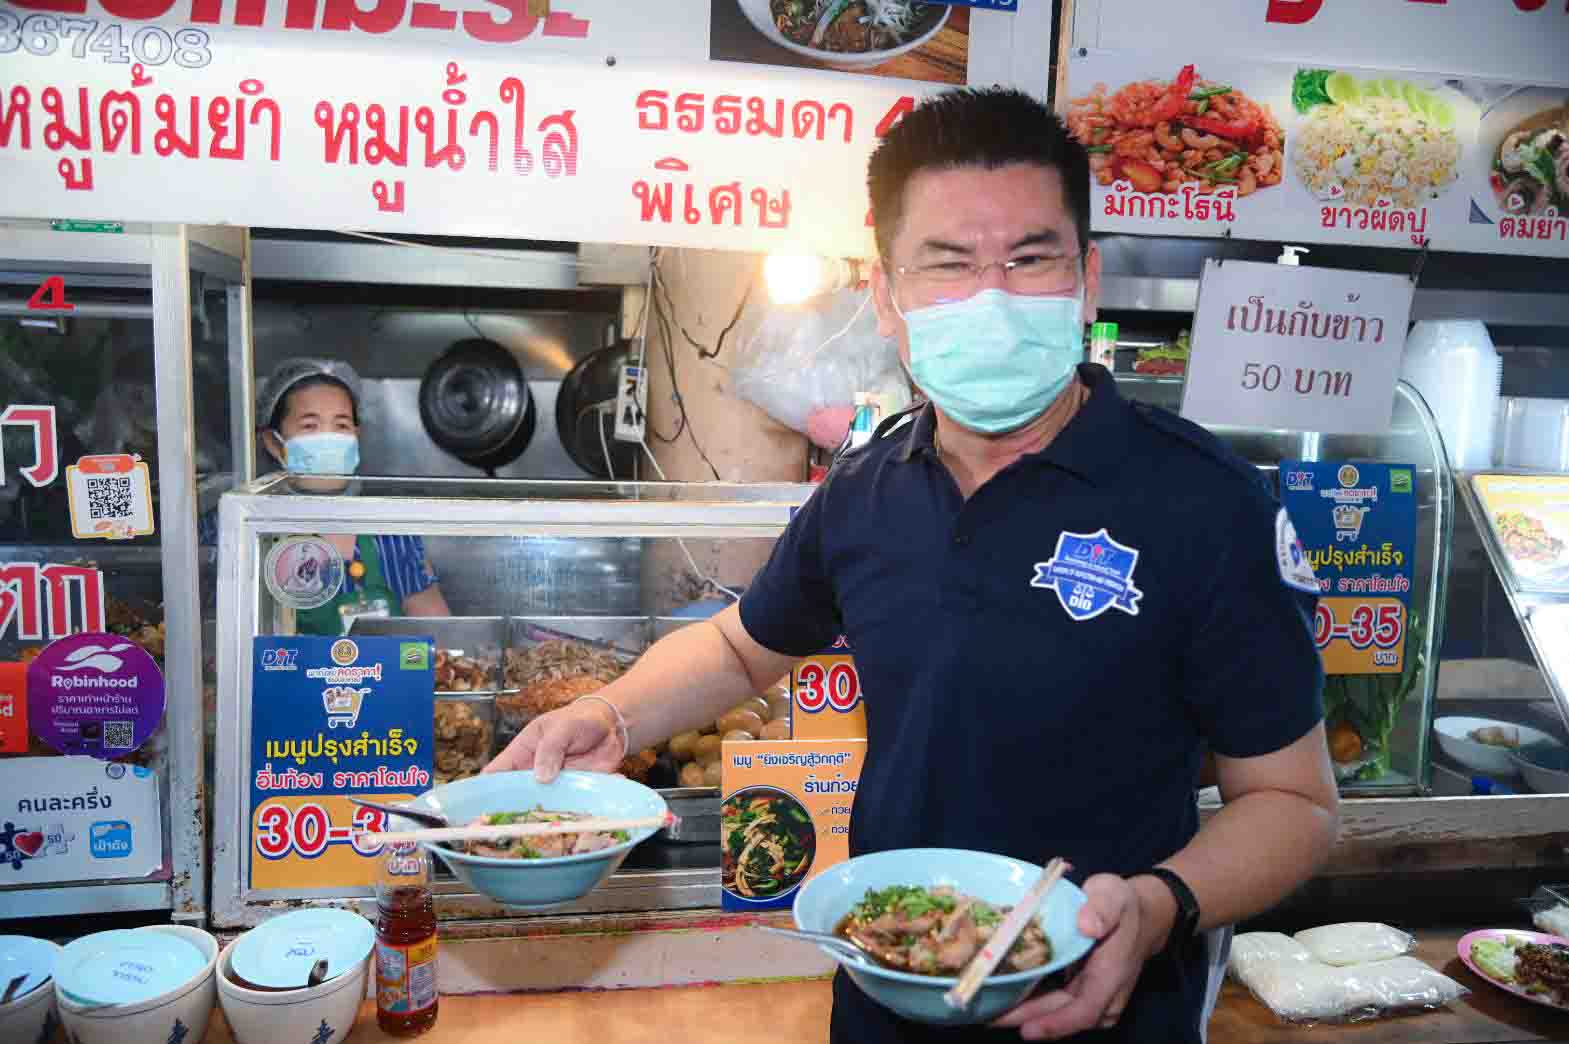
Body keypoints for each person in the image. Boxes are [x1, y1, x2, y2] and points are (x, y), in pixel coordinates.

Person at [487, 88, 1338, 1043]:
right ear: (886, 297)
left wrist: (1157, 905)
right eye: (948, 265)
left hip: (1106, 1005)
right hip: (885, 987)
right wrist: (609, 714)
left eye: (1029, 259)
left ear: (1085, 277)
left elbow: (1293, 802)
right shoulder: (864, 487)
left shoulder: (1207, 502)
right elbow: (738, 649)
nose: (993, 297)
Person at [202, 358, 450, 633]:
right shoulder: (241, 531)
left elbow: (440, 638)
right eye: (310, 426)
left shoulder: (392, 536)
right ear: (274, 443)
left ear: (356, 435)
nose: (329, 438)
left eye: (341, 425)